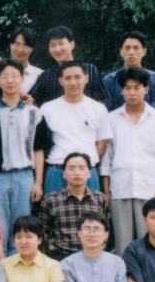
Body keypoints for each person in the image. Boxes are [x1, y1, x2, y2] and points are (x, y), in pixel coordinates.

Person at [0, 59, 49, 254]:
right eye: (5, 76)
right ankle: (1, 269)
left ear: (22, 79)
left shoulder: (34, 112)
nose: (10, 80)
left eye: (14, 76)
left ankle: (19, 270)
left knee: (22, 229)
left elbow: (38, 149)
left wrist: (38, 182)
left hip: (24, 177)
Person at [100, 66, 155, 254]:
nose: (132, 92)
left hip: (150, 187)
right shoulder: (111, 119)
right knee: (123, 245)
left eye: (136, 87)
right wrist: (107, 190)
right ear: (121, 90)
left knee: (150, 242)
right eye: (127, 88)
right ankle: (125, 274)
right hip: (120, 187)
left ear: (146, 89)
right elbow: (107, 157)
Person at [40, 61, 111, 194]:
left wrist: (84, 164)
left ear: (86, 78)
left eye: (77, 77)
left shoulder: (98, 108)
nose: (73, 82)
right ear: (61, 81)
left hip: (88, 172)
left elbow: (102, 142)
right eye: (68, 78)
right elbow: (40, 144)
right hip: (56, 171)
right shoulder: (47, 108)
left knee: (90, 209)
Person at [39, 152, 111, 261]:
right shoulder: (50, 200)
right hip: (61, 257)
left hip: (93, 256)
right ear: (64, 174)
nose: (77, 173)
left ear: (89, 173)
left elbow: (106, 230)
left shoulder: (100, 199)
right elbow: (43, 232)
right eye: (71, 168)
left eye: (82, 168)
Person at [29, 25, 107, 106]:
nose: (57, 49)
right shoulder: (46, 76)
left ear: (72, 44)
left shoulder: (90, 70)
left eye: (61, 43)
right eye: (53, 45)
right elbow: (30, 100)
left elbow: (102, 99)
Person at [102, 30, 155, 112]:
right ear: (121, 52)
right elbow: (104, 108)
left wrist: (140, 118)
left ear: (144, 51)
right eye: (127, 48)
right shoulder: (109, 80)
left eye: (136, 48)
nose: (131, 52)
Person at [7, 25, 43, 95]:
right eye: (17, 44)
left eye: (25, 45)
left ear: (32, 49)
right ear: (10, 45)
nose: (20, 50)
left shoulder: (40, 75)